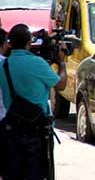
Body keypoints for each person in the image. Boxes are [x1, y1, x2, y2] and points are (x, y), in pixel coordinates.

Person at [0, 24, 68, 180]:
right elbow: (61, 85)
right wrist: (62, 63)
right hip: (37, 130)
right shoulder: (37, 64)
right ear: (29, 43)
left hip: (11, 128)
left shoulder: (3, 65)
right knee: (38, 173)